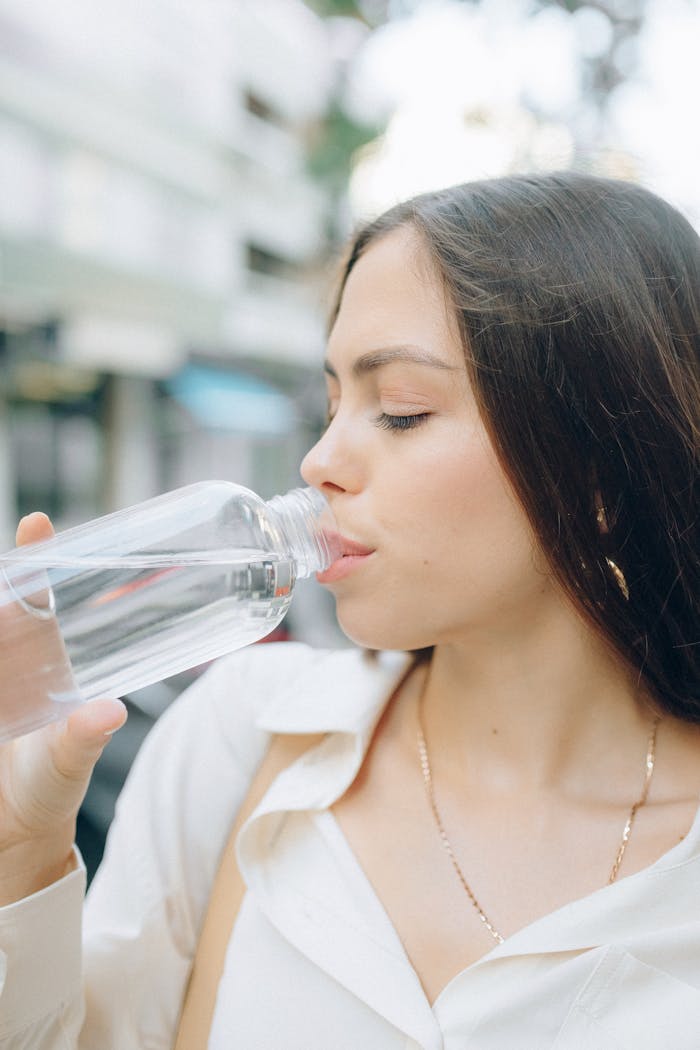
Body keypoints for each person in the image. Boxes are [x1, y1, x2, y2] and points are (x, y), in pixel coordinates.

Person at [0, 171, 698, 1049]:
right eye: (332, 403)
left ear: (600, 474)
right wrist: (21, 847)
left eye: (400, 411)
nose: (320, 461)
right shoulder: (243, 735)